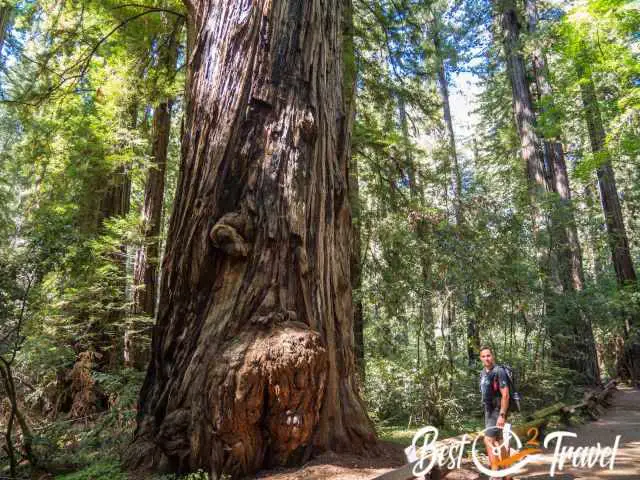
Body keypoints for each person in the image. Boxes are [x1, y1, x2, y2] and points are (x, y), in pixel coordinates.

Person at [479, 345, 513, 480]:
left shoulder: (499, 372)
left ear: (492, 356)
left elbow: (506, 395)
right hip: (489, 410)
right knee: (499, 440)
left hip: (498, 410)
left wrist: (502, 415)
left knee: (488, 440)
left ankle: (495, 473)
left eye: (488, 355)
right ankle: (507, 473)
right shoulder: (483, 373)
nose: (486, 358)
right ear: (480, 358)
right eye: (483, 356)